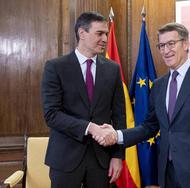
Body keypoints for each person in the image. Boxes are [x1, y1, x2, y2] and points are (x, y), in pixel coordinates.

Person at [95, 23, 190, 188]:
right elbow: (149, 127)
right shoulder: (159, 85)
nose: (166, 51)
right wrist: (117, 135)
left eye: (171, 44)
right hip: (167, 174)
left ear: (186, 44)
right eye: (161, 45)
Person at [41, 11, 126, 188]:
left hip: (101, 160)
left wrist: (118, 156)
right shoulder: (55, 67)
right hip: (65, 159)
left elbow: (119, 116)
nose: (104, 38)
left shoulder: (113, 69)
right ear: (82, 33)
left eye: (106, 34)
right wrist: (90, 128)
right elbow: (52, 114)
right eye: (99, 33)